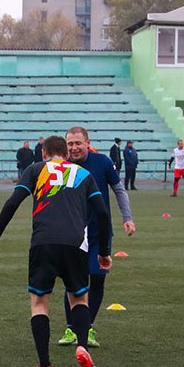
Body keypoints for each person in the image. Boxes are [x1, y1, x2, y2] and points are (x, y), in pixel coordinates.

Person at [0, 135, 112, 367]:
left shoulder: (35, 170)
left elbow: (12, 203)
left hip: (44, 243)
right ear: (66, 154)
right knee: (78, 298)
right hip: (76, 244)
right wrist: (104, 251)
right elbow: (103, 213)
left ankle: (44, 366)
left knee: (40, 303)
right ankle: (82, 346)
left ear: (43, 153)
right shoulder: (82, 174)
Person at [57, 126, 135, 349]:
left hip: (99, 232)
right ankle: (72, 328)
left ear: (87, 142)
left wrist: (127, 218)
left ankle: (87, 327)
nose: (73, 147)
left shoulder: (102, 162)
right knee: (73, 281)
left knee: (96, 277)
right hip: (71, 233)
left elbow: (119, 190)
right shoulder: (63, 167)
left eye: (77, 143)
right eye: (70, 144)